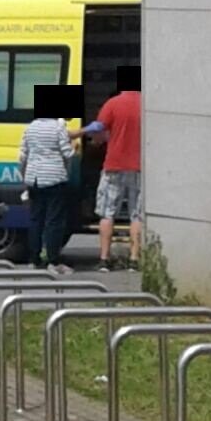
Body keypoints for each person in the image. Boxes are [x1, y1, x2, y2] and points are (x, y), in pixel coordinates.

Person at [71, 70, 142, 271]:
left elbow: (98, 127)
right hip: (140, 167)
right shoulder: (148, 104)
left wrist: (78, 132)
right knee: (137, 215)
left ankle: (104, 259)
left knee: (107, 214)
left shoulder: (113, 104)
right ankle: (134, 260)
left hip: (114, 166)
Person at [19, 109, 75, 275]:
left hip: (34, 178)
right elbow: (67, 153)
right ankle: (52, 260)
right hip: (54, 178)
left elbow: (22, 156)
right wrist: (73, 149)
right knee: (54, 221)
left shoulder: (30, 128)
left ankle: (34, 259)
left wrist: (25, 178)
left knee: (36, 219)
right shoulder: (58, 128)